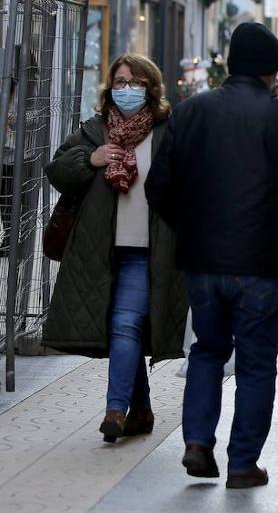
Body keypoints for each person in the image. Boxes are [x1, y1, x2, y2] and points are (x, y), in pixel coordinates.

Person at [146, 22, 278, 489]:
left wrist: (192, 228)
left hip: (203, 262)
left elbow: (158, 187)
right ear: (273, 69)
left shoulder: (191, 112)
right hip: (261, 264)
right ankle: (242, 464)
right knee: (256, 363)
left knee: (207, 352)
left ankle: (196, 442)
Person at [43, 53, 187, 444]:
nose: (127, 90)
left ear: (151, 89)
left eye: (135, 83)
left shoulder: (167, 132)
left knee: (124, 324)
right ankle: (140, 410)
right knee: (126, 328)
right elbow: (58, 170)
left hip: (147, 251)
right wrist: (91, 159)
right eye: (120, 82)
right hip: (103, 252)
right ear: (110, 88)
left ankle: (115, 410)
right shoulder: (95, 130)